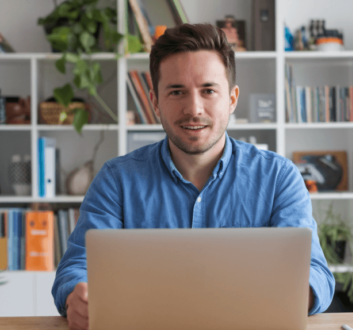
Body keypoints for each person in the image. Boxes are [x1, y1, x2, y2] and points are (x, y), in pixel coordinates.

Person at [52, 23, 335, 330]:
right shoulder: (115, 180)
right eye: (177, 91)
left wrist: (294, 295)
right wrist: (75, 298)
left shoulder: (279, 178)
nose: (193, 109)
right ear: (155, 102)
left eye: (208, 90)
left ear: (232, 99)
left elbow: (315, 273)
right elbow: (77, 267)